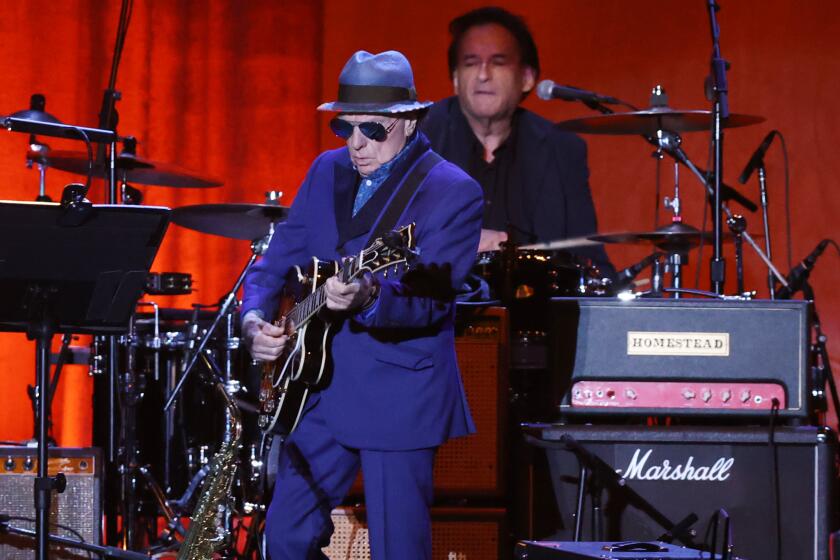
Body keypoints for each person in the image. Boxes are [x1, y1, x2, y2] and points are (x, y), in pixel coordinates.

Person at [240, 50, 483, 559]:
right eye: (345, 129)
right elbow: (275, 261)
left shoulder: (452, 191)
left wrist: (371, 297)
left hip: (399, 392)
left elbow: (432, 302)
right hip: (319, 389)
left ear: (410, 121)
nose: (356, 144)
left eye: (372, 131)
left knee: (397, 550)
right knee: (283, 538)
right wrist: (255, 319)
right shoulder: (327, 170)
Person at [421, 6, 613, 276]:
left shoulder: (562, 148)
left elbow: (588, 256)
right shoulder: (418, 137)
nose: (483, 75)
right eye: (470, 63)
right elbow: (381, 241)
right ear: (455, 79)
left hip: (533, 307)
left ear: (526, 78)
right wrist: (465, 243)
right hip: (437, 307)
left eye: (498, 62)